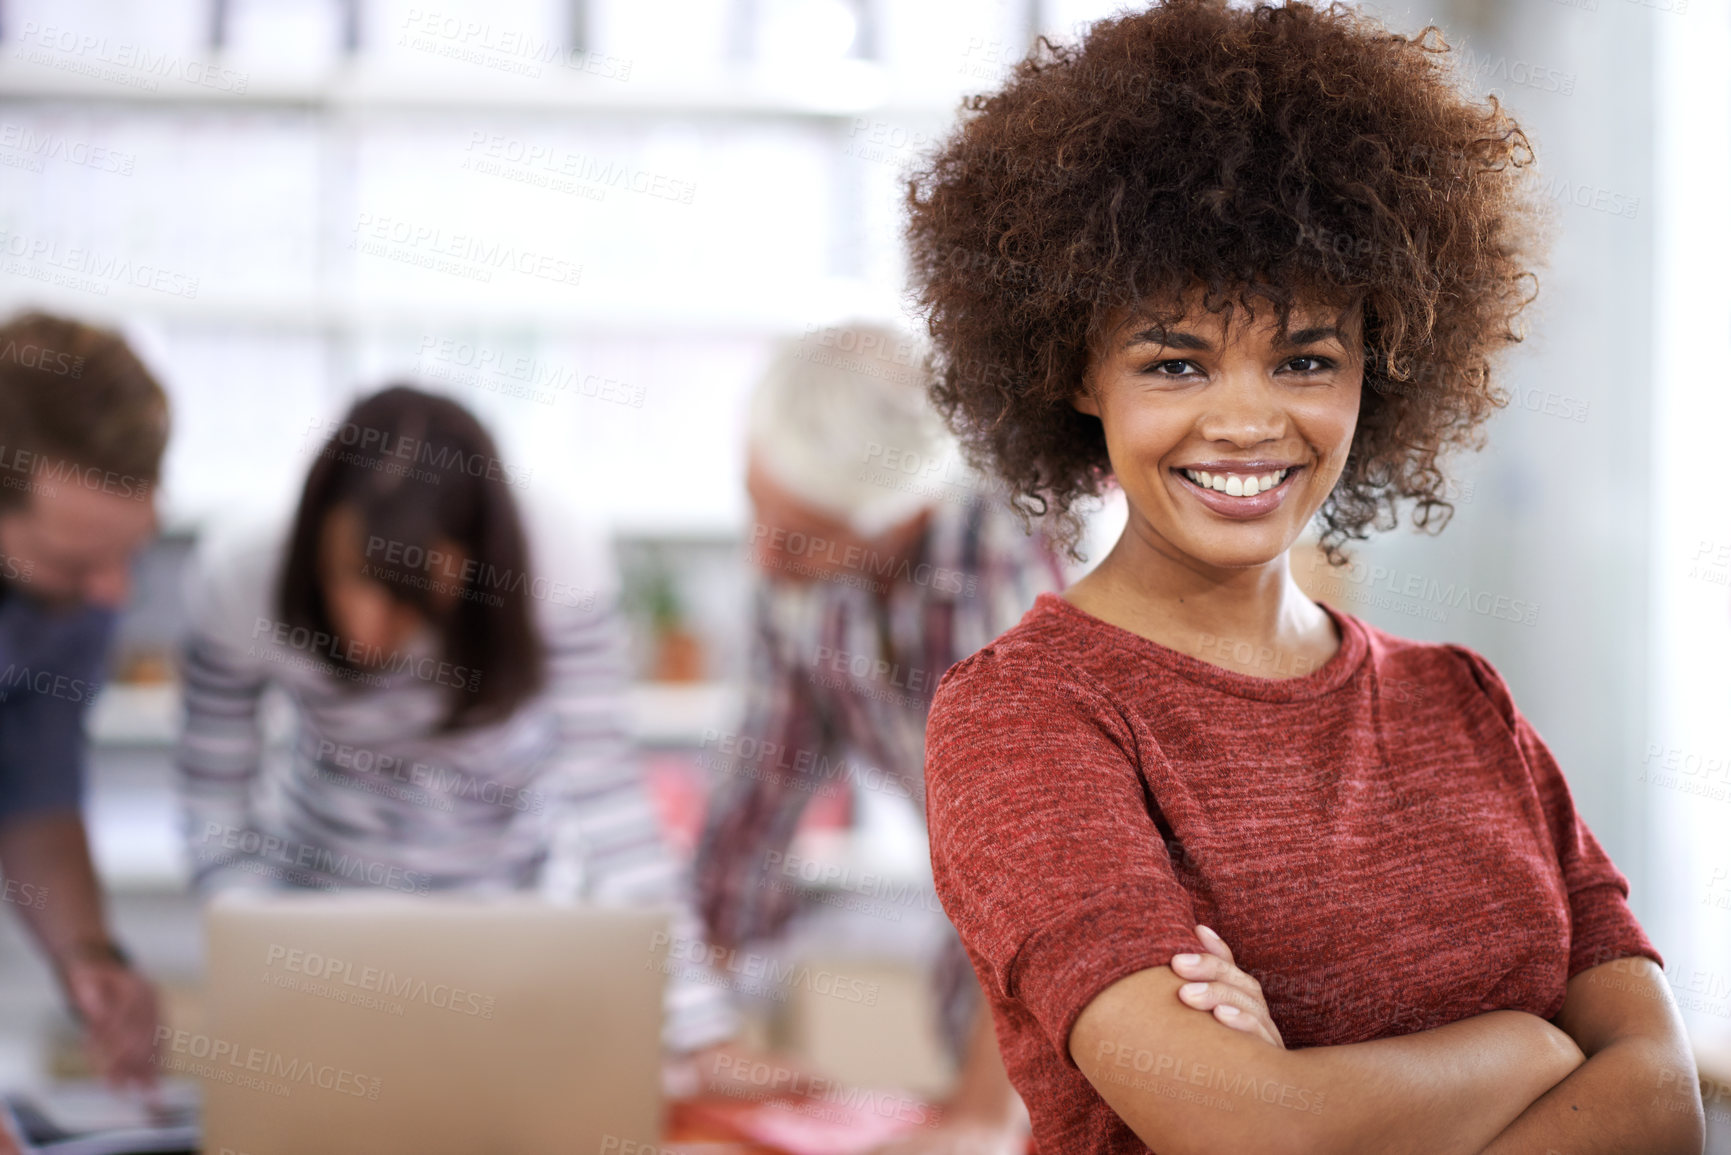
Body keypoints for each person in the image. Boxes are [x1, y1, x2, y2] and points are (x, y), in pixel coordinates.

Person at [904, 2, 1705, 1153]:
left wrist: (1330, 1100)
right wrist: (1530, 1051)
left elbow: (1662, 1104)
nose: (1245, 420)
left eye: (1305, 358)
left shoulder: (1464, 705)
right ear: (1075, 372)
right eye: (1175, 361)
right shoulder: (1026, 719)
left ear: (1380, 370)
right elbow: (1254, 1133)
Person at [174, 385, 738, 1056]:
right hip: (316, 923)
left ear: (477, 561)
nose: (365, 631)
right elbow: (212, 802)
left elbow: (608, 797)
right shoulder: (241, 569)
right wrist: (272, 956)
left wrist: (700, 1028)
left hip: (508, 933)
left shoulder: (554, 552)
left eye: (407, 596)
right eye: (345, 576)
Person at [693, 323, 1066, 1150]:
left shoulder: (1003, 568)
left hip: (1094, 981)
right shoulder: (791, 578)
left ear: (903, 515)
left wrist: (979, 1117)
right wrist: (690, 1037)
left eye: (798, 536)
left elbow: (1040, 866)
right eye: (756, 508)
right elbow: (749, 814)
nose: (764, 557)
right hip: (971, 974)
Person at [0, 312, 168, 1111]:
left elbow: (33, 787)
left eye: (130, 549)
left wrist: (87, 955)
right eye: (76, 561)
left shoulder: (80, 590)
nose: (114, 593)